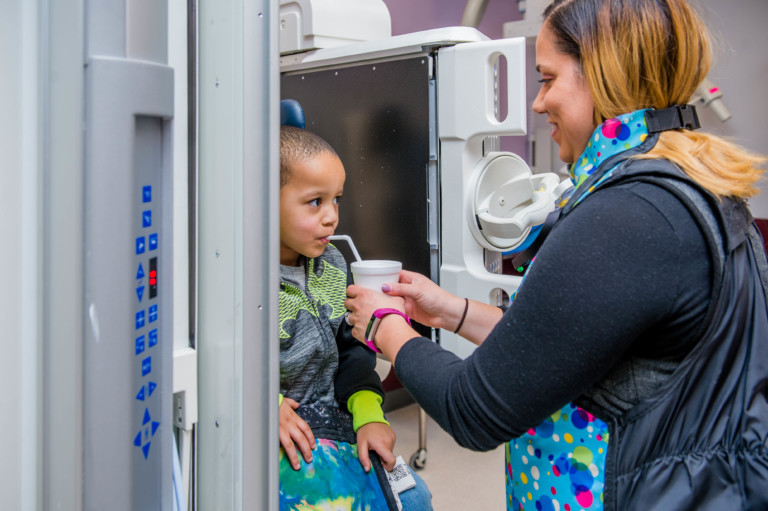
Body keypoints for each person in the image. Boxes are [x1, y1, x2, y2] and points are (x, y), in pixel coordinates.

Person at [343, 1, 768, 509]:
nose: (538, 103)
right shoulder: (682, 188)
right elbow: (562, 347)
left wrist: (384, 324)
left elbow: (476, 409)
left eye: (547, 79)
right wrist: (451, 312)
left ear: (604, 76)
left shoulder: (631, 215)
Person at [277, 125, 432, 510]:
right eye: (315, 202)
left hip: (338, 416)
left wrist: (369, 415)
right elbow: (226, 364)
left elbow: (351, 352)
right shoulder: (238, 282)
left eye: (337, 200)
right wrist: (266, 405)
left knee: (414, 499)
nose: (332, 217)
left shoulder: (331, 265)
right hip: (283, 429)